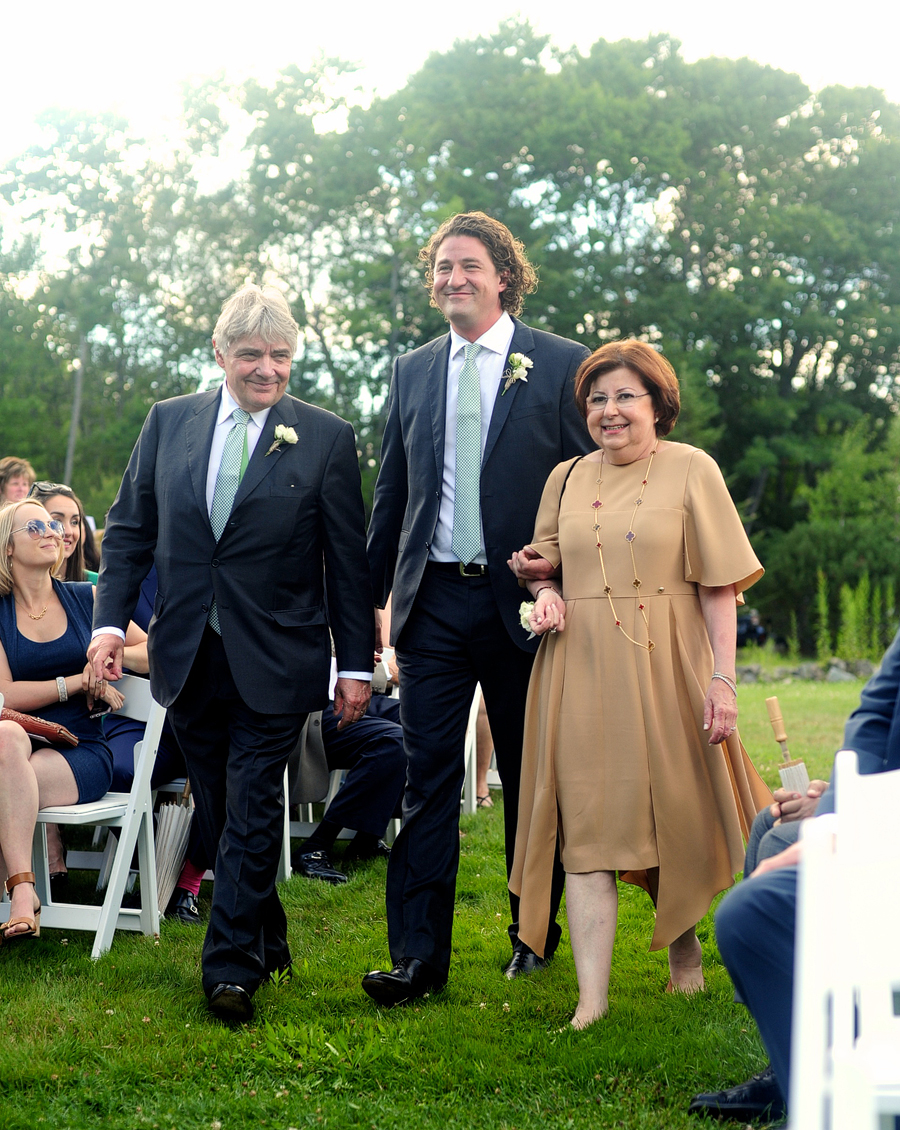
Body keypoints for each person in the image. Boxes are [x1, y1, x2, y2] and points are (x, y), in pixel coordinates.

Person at [87, 283, 374, 1024]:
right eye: (251, 355)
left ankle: (230, 969)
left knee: (250, 803)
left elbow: (347, 564)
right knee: (219, 808)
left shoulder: (326, 437)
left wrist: (356, 664)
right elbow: (126, 531)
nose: (267, 370)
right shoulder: (168, 423)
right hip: (186, 654)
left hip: (279, 655)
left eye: (281, 356)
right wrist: (110, 625)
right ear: (219, 354)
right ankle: (269, 934)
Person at [508, 339, 773, 1028]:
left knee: (669, 817)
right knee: (589, 825)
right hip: (581, 666)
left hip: (668, 661)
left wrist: (722, 679)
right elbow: (548, 566)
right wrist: (544, 590)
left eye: (625, 396)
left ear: (658, 403)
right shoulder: (565, 477)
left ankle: (685, 960)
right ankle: (591, 1001)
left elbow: (719, 585)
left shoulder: (693, 469)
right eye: (597, 399)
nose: (610, 411)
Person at [364, 210, 592, 1006]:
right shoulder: (412, 370)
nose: (452, 279)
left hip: (524, 607)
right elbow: (391, 498)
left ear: (503, 275)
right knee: (426, 781)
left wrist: (558, 571)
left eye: (467, 266)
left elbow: (588, 489)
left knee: (533, 776)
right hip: (430, 606)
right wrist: (370, 614)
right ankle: (417, 960)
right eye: (440, 267)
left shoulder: (560, 364)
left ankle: (533, 934)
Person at [709, 630, 900, 1121]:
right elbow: (875, 718)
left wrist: (866, 818)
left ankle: (844, 1064)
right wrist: (834, 809)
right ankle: (793, 1059)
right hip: (879, 817)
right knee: (769, 828)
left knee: (777, 848)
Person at [0, 499, 145, 942]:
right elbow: (4, 695)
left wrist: (105, 660)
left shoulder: (89, 598)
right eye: (35, 526)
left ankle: (18, 899)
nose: (52, 531)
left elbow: (155, 650)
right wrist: (74, 683)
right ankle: (25, 896)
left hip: (81, 749)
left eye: (53, 524)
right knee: (5, 736)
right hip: (17, 744)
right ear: (7, 548)